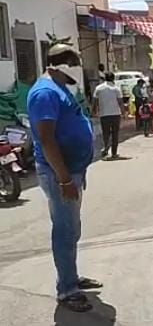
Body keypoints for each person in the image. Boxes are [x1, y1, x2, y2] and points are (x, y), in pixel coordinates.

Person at [27, 41, 102, 313]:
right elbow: (47, 139)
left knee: (72, 228)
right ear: (60, 65)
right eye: (74, 64)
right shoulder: (45, 93)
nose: (78, 70)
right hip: (60, 174)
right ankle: (67, 290)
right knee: (65, 230)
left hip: (71, 170)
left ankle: (71, 276)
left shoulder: (60, 88)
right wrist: (64, 179)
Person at [92, 72, 125, 159]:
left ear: (105, 78)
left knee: (105, 133)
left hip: (104, 114)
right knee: (115, 134)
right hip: (115, 114)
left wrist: (93, 111)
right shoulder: (116, 89)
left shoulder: (98, 88)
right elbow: (120, 102)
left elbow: (94, 101)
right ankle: (114, 153)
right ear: (113, 78)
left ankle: (106, 149)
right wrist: (124, 112)